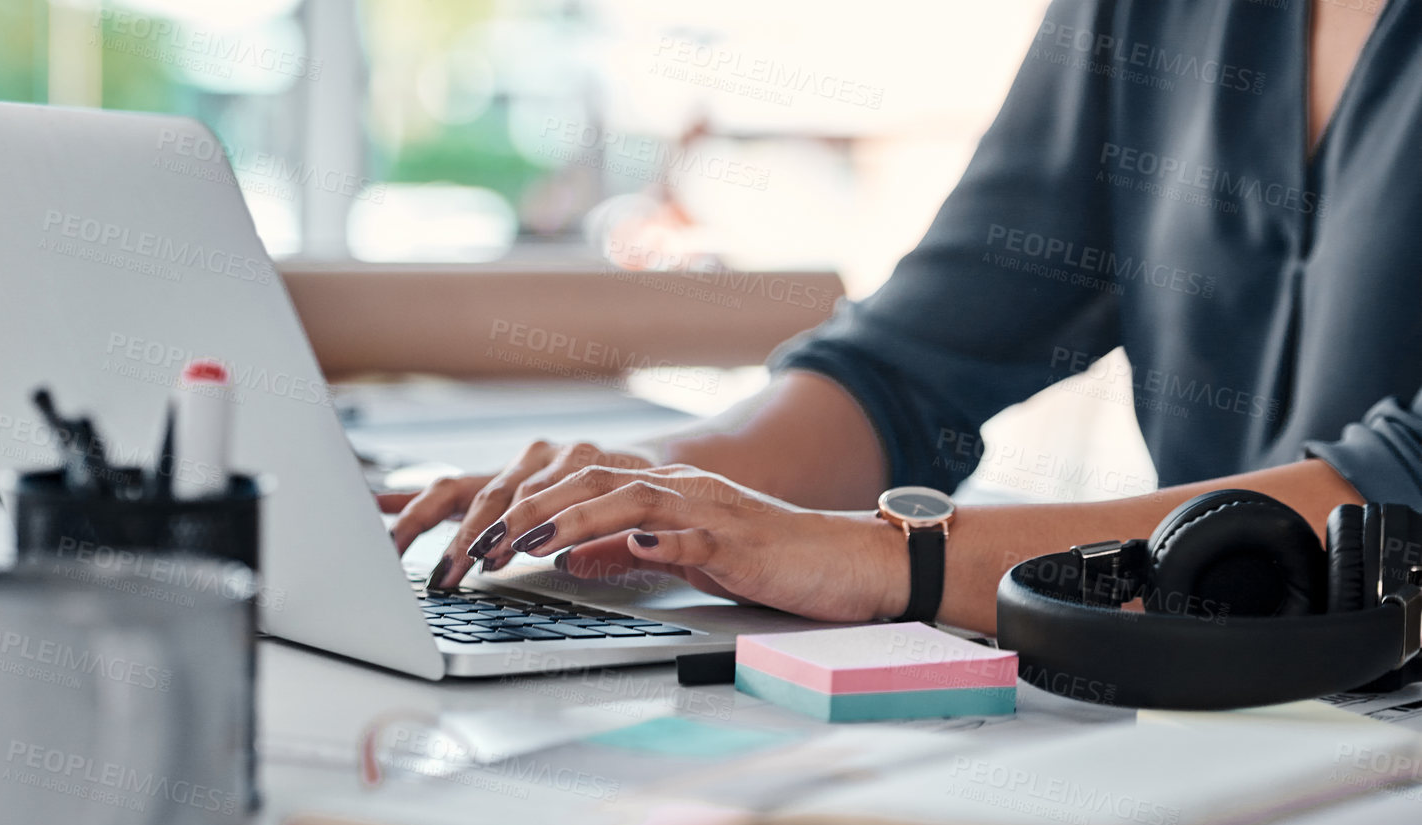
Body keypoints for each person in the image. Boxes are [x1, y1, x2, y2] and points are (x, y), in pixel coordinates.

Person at [386, 0, 1419, 638]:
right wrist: (648, 489)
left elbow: (1399, 491)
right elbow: (913, 365)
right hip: (1225, 740)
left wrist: (890, 560)